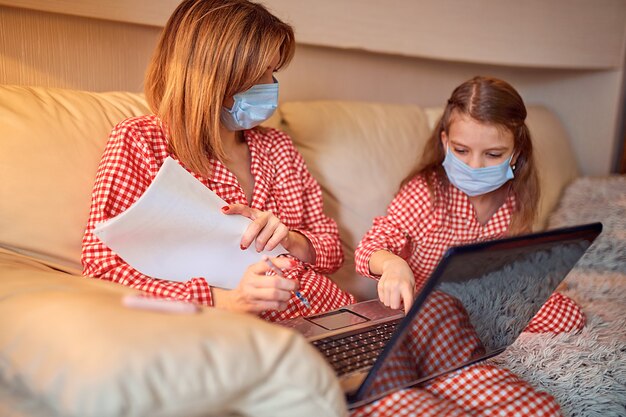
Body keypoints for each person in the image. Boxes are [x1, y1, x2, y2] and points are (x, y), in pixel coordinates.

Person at [81, 0, 355, 322]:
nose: (271, 88)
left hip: (328, 313)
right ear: (213, 77)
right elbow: (104, 267)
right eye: (258, 75)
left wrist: (290, 240)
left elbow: (332, 250)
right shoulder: (142, 142)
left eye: (273, 71)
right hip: (234, 333)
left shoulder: (277, 147)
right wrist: (226, 300)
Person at [355, 75, 585, 334]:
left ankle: (490, 333)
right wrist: (392, 265)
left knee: (567, 315)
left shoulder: (514, 197)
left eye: (493, 154)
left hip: (485, 303)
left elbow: (515, 261)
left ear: (516, 154)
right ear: (445, 143)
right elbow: (369, 247)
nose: (474, 166)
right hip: (429, 311)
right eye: (461, 151)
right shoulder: (425, 193)